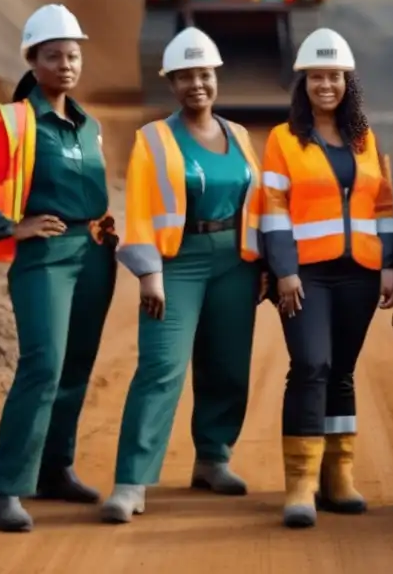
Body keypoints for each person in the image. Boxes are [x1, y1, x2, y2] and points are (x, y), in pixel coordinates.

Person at [0, 4, 118, 533]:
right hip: (44, 256)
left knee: (75, 367)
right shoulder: (15, 119)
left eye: (73, 55)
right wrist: (8, 227)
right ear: (34, 59)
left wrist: (104, 224)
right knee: (43, 365)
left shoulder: (88, 123)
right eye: (54, 56)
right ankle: (4, 489)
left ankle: (55, 470)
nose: (66, 64)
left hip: (94, 252)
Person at [100, 27, 265, 523]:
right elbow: (142, 207)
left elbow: (258, 204)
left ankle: (213, 459)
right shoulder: (153, 138)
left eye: (205, 73)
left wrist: (262, 263)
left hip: (235, 262)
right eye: (186, 75)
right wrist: (149, 273)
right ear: (171, 82)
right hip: (177, 263)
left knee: (228, 366)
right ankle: (132, 481)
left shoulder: (238, 135)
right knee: (161, 369)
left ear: (216, 77)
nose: (197, 83)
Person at [260, 27, 393, 529]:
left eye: (334, 76)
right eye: (316, 76)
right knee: (310, 364)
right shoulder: (283, 140)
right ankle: (301, 484)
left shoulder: (365, 140)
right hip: (307, 276)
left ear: (347, 82)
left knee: (340, 370)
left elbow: (383, 205)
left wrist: (389, 263)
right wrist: (285, 270)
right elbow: (272, 209)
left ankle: (339, 479)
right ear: (304, 82)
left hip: (359, 273)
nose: (326, 85)